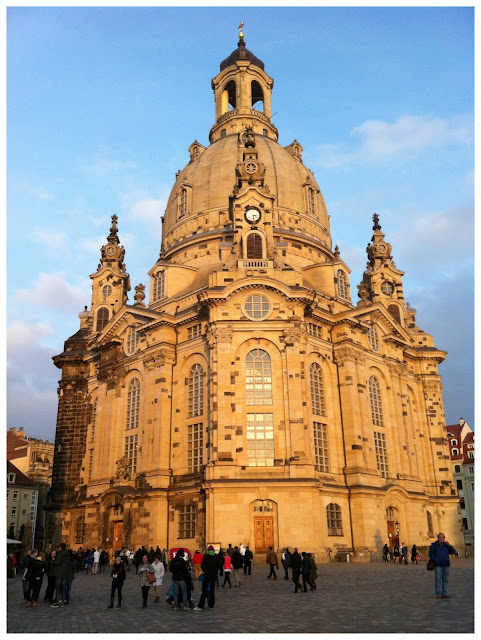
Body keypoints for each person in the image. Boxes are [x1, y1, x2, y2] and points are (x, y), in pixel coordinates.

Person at [429, 533, 457, 599]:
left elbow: (453, 551)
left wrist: (449, 545)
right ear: (438, 538)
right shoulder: (434, 545)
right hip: (438, 565)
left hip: (446, 564)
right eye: (440, 537)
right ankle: (438, 593)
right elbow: (430, 553)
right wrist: (435, 560)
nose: (441, 539)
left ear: (444, 538)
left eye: (442, 537)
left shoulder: (446, 545)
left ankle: (445, 593)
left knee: (445, 579)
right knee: (438, 579)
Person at [193, 545, 219, 611]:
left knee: (204, 591)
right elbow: (219, 565)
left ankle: (201, 605)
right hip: (213, 575)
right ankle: (211, 605)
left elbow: (202, 565)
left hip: (207, 575)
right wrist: (215, 571)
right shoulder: (216, 557)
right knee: (212, 591)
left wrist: (205, 570)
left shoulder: (206, 557)